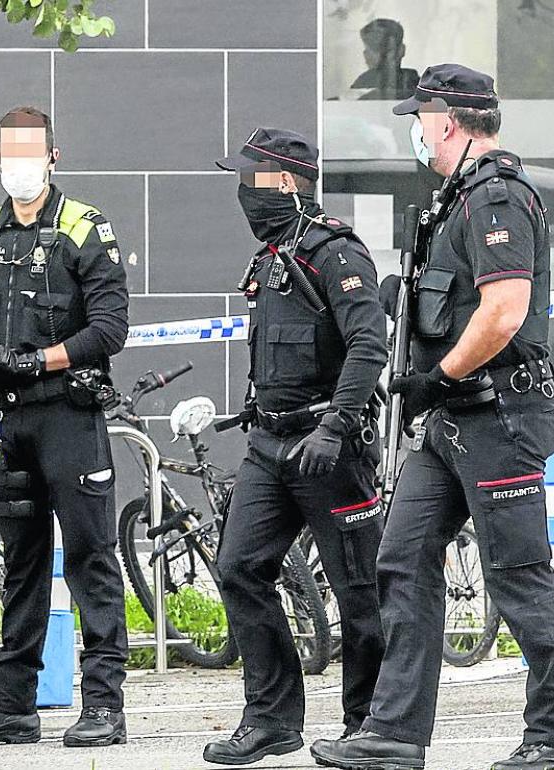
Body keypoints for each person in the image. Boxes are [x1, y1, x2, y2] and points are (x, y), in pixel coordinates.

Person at [312, 64, 554, 770]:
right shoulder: (455, 198)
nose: (415, 130)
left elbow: (504, 312)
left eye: (419, 117)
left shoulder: (496, 197)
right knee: (401, 558)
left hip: (500, 416)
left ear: (447, 120)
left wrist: (438, 377)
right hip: (451, 420)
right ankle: (396, 735)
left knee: (518, 577)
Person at [0, 106, 130, 748]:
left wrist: (34, 360)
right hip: (7, 420)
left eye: (33, 151)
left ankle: (104, 705)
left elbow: (110, 329)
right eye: (9, 151)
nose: (21, 163)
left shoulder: (84, 227)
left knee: (89, 557)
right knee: (21, 563)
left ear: (53, 156)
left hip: (67, 417)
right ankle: (12, 705)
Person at [200, 128, 388, 765]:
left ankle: (369, 726)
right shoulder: (272, 256)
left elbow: (369, 345)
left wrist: (336, 425)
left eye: (248, 178)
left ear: (285, 181)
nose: (241, 193)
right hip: (271, 444)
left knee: (359, 590)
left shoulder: (333, 253)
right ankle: (272, 719)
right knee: (240, 568)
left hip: (327, 448)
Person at [349, 18, 419, 100]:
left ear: (401, 50)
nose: (381, 57)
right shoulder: (363, 82)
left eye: (387, 50)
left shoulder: (417, 85)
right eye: (374, 50)